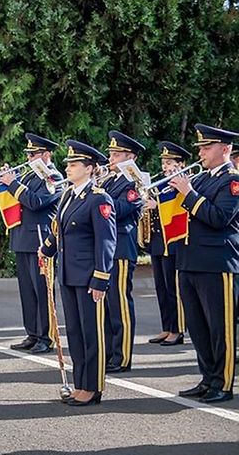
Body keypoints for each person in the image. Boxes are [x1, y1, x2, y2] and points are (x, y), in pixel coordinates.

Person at [39, 140, 116, 406]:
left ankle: (92, 388)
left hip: (88, 277)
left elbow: (106, 241)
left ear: (91, 168)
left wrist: (101, 278)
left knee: (91, 333)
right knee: (75, 331)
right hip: (68, 274)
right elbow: (58, 229)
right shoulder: (69, 195)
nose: (68, 169)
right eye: (68, 164)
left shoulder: (99, 198)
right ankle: (80, 382)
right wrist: (46, 249)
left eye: (74, 164)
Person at [169, 124, 239, 404]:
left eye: (206, 147)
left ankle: (222, 383)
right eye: (200, 147)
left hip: (217, 262)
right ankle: (207, 378)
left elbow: (221, 218)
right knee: (197, 327)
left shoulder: (232, 180)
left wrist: (189, 193)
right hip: (190, 260)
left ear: (225, 149)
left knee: (219, 327)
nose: (201, 152)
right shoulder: (199, 180)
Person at [0, 134, 63, 353]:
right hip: (23, 238)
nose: (29, 158)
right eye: (28, 154)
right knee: (27, 291)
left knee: (43, 291)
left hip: (41, 239)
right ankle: (33, 333)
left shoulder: (52, 177)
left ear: (47, 155)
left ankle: (47, 337)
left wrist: (12, 183)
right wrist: (8, 181)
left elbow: (35, 203)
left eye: (34, 154)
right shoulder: (28, 177)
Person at [100, 131, 145, 373]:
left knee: (120, 306)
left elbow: (121, 208)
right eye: (111, 154)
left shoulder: (133, 183)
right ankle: (109, 354)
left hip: (121, 248)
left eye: (116, 155)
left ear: (130, 157)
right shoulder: (108, 181)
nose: (111, 159)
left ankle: (122, 356)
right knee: (107, 306)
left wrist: (96, 195)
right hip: (106, 250)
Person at [144, 141, 190, 347]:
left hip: (173, 241)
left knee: (174, 288)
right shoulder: (161, 183)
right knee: (161, 287)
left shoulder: (182, 182)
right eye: (163, 162)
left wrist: (156, 205)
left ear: (181, 164)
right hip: (157, 240)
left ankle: (178, 329)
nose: (165, 166)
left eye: (169, 162)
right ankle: (166, 326)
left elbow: (179, 208)